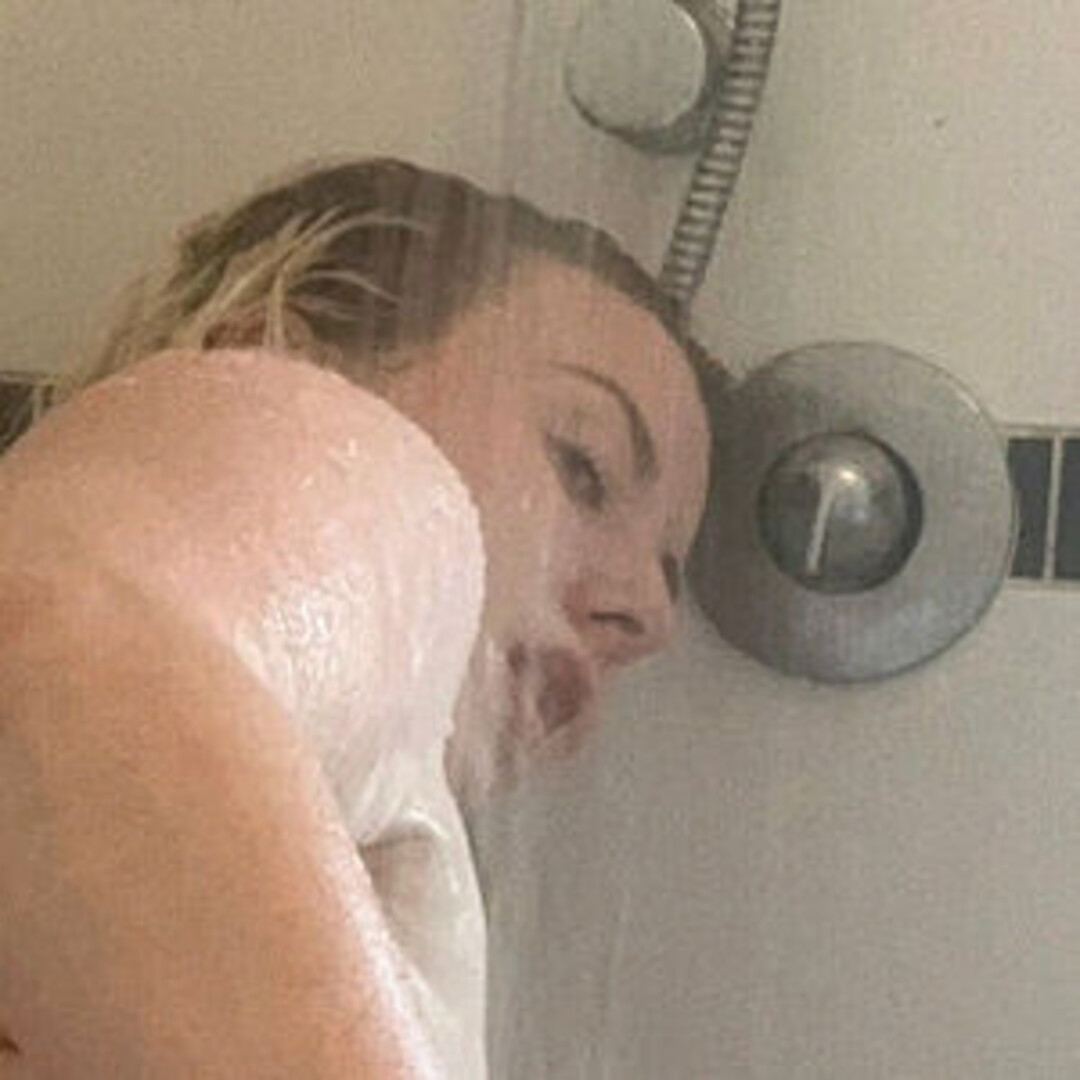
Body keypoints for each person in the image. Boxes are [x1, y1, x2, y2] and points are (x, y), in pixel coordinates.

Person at [0, 159, 715, 1077]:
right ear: (270, 358)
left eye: (665, 575)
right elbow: (62, 637)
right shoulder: (306, 444)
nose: (650, 615)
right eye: (584, 463)